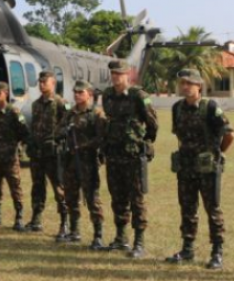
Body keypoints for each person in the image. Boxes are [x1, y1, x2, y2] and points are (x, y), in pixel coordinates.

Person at [165, 69, 232, 269]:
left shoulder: (210, 107)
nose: (185, 86)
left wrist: (216, 154)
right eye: (182, 83)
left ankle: (217, 251)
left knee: (212, 209)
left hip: (207, 169)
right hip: (185, 168)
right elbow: (179, 134)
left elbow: (229, 134)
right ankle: (187, 249)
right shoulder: (177, 108)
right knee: (187, 208)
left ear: (199, 86)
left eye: (189, 83)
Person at [101, 60, 158, 259]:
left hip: (133, 156)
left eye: (119, 73)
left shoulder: (138, 96)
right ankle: (120, 238)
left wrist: (146, 142)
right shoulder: (107, 95)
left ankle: (139, 243)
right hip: (114, 155)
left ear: (128, 75)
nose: (115, 76)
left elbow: (152, 123)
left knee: (137, 200)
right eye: (113, 73)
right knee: (118, 199)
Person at [59, 80, 106, 248]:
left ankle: (98, 235)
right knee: (71, 197)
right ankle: (74, 231)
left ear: (89, 94)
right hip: (70, 161)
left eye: (81, 92)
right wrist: (63, 132)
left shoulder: (96, 114)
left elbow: (101, 138)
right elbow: (60, 129)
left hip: (88, 162)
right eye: (75, 92)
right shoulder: (70, 113)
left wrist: (83, 146)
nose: (77, 95)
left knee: (92, 199)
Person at [26, 70, 69, 239]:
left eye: (45, 81)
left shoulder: (60, 103)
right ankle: (36, 219)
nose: (42, 84)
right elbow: (34, 126)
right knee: (37, 186)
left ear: (53, 83)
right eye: (40, 81)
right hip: (37, 153)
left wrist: (56, 142)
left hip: (53, 153)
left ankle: (64, 222)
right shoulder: (35, 104)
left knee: (59, 187)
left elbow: (67, 126)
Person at [0, 81, 28, 230]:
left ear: (6, 93)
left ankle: (19, 217)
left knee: (15, 187)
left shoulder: (13, 112)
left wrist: (16, 148)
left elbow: (24, 133)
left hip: (10, 158)